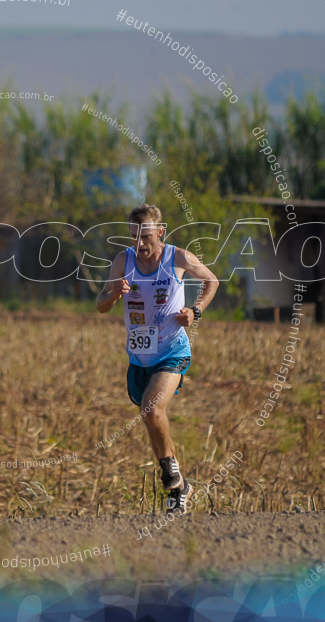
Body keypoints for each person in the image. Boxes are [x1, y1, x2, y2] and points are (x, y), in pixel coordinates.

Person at [95, 204, 219, 512]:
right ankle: (179, 485)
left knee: (151, 409)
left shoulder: (178, 257)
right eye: (134, 236)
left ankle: (172, 479)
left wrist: (196, 310)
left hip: (172, 350)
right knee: (150, 417)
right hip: (139, 356)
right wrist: (112, 295)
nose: (140, 244)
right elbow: (100, 303)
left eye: (146, 236)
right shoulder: (124, 260)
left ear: (160, 233)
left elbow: (212, 281)